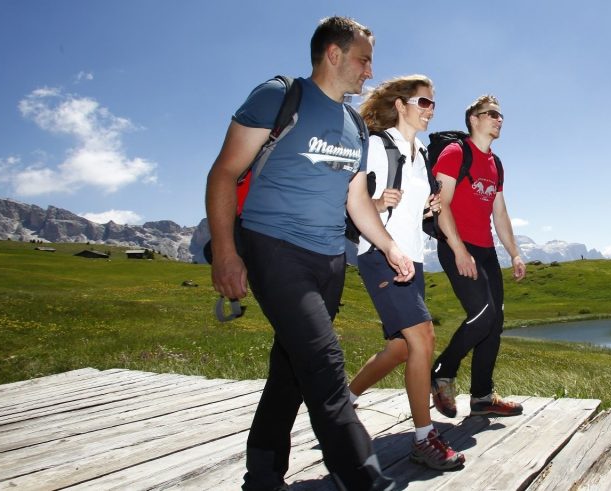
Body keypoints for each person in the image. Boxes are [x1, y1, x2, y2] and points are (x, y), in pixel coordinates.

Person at [205, 16, 411, 491]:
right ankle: (363, 478)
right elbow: (223, 173)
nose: (369, 71)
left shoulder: (355, 125)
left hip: (329, 259)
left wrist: (388, 244)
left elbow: (356, 200)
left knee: (291, 370)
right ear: (333, 54)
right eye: (363, 60)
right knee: (323, 364)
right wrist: (225, 254)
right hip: (274, 247)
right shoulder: (279, 97)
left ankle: (262, 476)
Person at [347, 75, 464, 470]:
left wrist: (427, 208)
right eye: (423, 102)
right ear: (400, 105)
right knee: (424, 338)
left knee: (401, 347)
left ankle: (343, 403)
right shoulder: (379, 146)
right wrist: (378, 203)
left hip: (411, 259)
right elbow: (354, 198)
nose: (430, 110)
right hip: (381, 254)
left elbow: (415, 208)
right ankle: (423, 438)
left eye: (433, 104)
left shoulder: (420, 155)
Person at [429, 95, 527, 419]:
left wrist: (514, 253)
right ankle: (443, 370)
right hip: (456, 244)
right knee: (482, 314)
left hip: (485, 251)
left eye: (501, 115)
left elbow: (500, 213)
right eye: (492, 114)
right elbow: (440, 204)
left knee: (495, 321)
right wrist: (458, 249)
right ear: (474, 119)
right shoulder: (456, 153)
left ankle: (483, 397)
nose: (499, 119)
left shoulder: (496, 164)